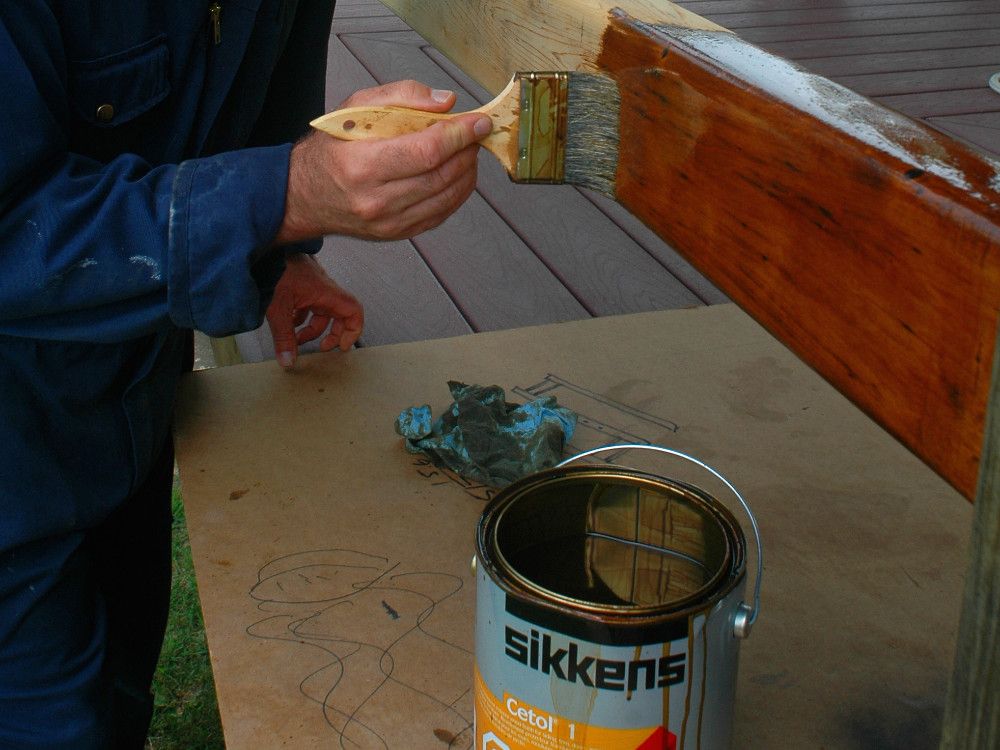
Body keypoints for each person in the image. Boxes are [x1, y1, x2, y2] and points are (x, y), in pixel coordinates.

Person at [0, 1, 493, 748]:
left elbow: (266, 91)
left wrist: (282, 253)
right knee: (56, 723)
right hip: (13, 458)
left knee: (119, 689)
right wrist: (280, 196)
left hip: (129, 401)